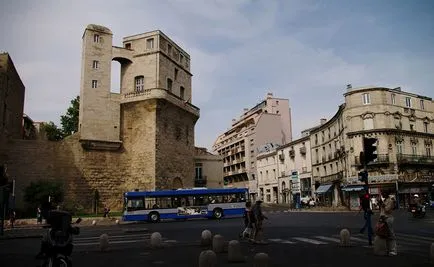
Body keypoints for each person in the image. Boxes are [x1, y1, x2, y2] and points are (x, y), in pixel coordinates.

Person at [380, 190, 397, 256]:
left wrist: (383, 205)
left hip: (388, 218)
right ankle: (387, 249)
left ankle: (393, 250)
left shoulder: (390, 201)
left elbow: (387, 210)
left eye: (383, 193)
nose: (382, 195)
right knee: (384, 234)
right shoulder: (385, 200)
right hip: (383, 218)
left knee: (390, 234)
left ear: (386, 194)